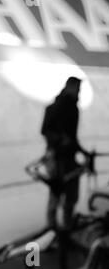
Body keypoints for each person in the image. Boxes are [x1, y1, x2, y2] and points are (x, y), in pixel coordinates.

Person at [41, 77, 88, 231]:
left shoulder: (73, 109)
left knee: (70, 194)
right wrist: (60, 140)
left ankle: (64, 228)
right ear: (71, 87)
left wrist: (82, 151)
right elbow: (45, 131)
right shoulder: (55, 108)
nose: (79, 91)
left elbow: (73, 138)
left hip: (68, 158)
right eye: (78, 88)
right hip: (57, 157)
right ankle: (52, 228)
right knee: (57, 190)